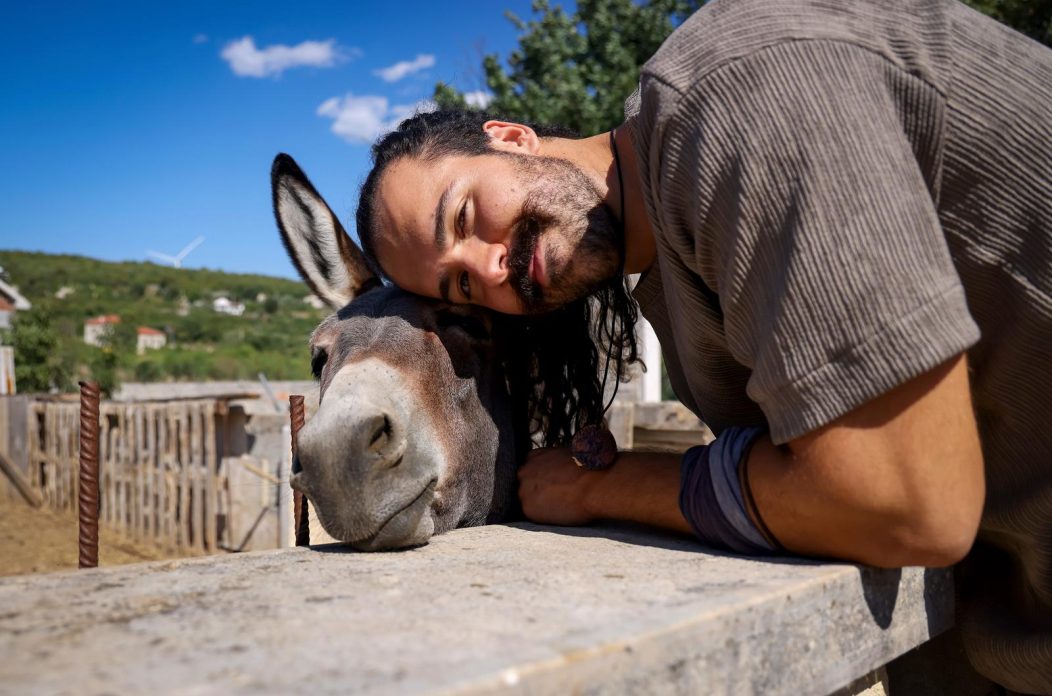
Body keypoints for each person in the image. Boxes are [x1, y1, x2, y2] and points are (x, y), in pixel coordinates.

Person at [352, 0, 1051, 691]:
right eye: (463, 286)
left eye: (464, 216)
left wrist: (604, 486)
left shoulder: (740, 91)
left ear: (510, 137)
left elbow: (906, 501)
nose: (491, 267)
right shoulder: (674, 277)